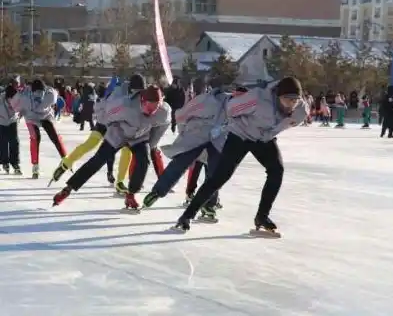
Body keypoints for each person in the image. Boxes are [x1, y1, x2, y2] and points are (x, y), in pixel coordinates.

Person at [173, 77, 308, 232]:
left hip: (263, 138)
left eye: (295, 100)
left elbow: (285, 123)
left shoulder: (301, 111)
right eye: (287, 99)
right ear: (278, 96)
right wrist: (241, 125)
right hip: (240, 135)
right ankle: (187, 216)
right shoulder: (257, 99)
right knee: (219, 177)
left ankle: (262, 217)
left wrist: (267, 134)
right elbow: (231, 108)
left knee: (277, 170)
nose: (291, 104)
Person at [52, 85, 170, 209]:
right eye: (148, 107)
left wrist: (151, 143)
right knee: (98, 160)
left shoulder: (164, 112)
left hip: (140, 137)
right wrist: (111, 130)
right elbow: (108, 115)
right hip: (118, 133)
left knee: (144, 161)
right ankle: (67, 189)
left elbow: (163, 125)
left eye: (155, 108)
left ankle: (131, 195)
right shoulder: (125, 105)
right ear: (142, 100)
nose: (151, 111)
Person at [141, 78, 229, 216]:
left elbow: (181, 115)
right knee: (213, 172)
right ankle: (209, 204)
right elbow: (234, 120)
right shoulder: (228, 101)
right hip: (214, 138)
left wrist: (185, 130)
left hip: (196, 136)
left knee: (180, 164)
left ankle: (158, 191)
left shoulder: (201, 100)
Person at [10, 78, 66, 178]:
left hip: (46, 116)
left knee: (54, 136)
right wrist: (20, 110)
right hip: (31, 117)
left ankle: (65, 157)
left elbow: (57, 101)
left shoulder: (50, 93)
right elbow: (14, 105)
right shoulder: (24, 95)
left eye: (41, 92)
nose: (39, 94)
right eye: (37, 93)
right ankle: (35, 165)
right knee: (35, 137)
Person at [0, 85, 21, 174]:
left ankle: (15, 162)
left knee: (14, 142)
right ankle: (4, 162)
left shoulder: (17, 98)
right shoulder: (1, 99)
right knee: (3, 142)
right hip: (1, 122)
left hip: (12, 121)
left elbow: (22, 108)